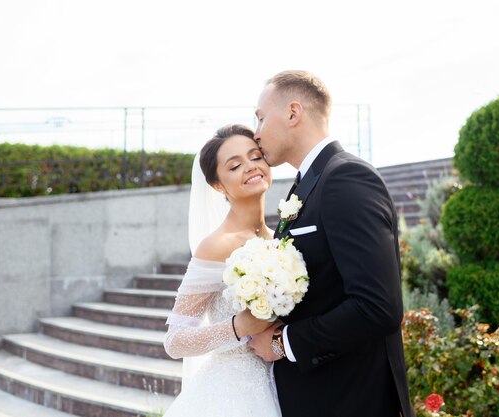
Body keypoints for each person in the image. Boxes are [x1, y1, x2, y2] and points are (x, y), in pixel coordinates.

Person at [248, 70, 415, 417]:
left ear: (293, 113)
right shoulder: (304, 185)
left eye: (261, 118)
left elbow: (377, 306)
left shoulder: (346, 178)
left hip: (351, 400)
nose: (256, 131)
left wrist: (284, 343)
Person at [162, 124, 282, 417]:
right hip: (234, 395)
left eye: (255, 157)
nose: (251, 167)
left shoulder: (280, 239)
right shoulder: (216, 245)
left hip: (286, 383)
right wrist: (239, 327)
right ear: (218, 185)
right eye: (235, 165)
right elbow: (175, 341)